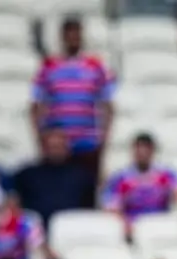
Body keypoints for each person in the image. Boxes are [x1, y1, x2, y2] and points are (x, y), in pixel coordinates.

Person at [31, 16, 115, 192]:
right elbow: (37, 105)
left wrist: (103, 138)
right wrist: (41, 137)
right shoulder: (49, 66)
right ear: (63, 37)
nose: (73, 39)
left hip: (88, 142)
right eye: (69, 35)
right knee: (59, 191)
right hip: (59, 144)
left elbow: (107, 104)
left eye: (76, 34)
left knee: (87, 190)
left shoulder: (95, 65)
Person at [102, 133, 177, 242]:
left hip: (159, 223)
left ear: (152, 151)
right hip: (133, 225)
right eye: (139, 148)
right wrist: (124, 223)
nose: (142, 153)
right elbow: (111, 207)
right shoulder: (121, 177)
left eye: (146, 148)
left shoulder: (165, 173)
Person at [13, 127, 98, 233]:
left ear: (67, 148)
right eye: (51, 147)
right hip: (34, 233)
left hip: (72, 232)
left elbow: (89, 210)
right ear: (43, 148)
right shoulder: (26, 175)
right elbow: (16, 207)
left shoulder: (83, 176)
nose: (55, 151)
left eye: (59, 147)